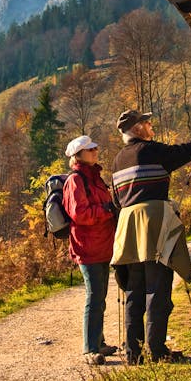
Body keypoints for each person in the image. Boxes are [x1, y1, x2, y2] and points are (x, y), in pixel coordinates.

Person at [110, 109, 191, 364]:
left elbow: (116, 201)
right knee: (158, 288)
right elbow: (189, 150)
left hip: (127, 226)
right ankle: (157, 352)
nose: (151, 126)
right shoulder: (150, 150)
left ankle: (134, 354)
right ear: (136, 130)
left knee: (134, 291)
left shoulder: (117, 160)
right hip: (153, 222)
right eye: (146, 123)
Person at [62, 135, 118, 366]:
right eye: (89, 149)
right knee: (94, 298)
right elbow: (81, 214)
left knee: (101, 297)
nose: (95, 150)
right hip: (88, 248)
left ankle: (99, 342)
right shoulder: (76, 180)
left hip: (102, 245)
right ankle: (90, 349)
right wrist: (108, 210)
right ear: (78, 155)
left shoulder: (94, 177)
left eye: (95, 147)